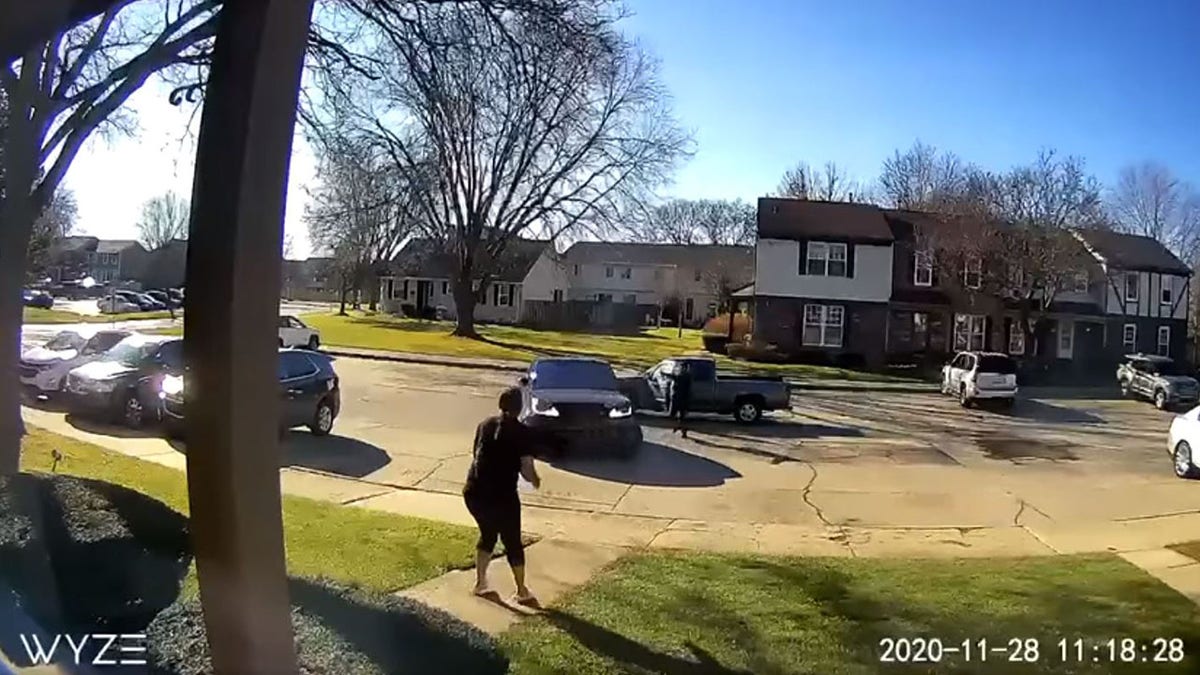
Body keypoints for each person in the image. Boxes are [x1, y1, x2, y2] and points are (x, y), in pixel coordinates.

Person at [463, 386, 541, 605]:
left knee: (488, 534)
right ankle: (522, 591)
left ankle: (480, 584)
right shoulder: (522, 432)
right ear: (520, 408)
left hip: (474, 492)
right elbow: (527, 471)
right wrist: (536, 480)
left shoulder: (484, 425)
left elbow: (476, 453)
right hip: (502, 497)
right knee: (512, 541)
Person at [668, 361, 693, 438]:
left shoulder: (683, 376)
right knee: (682, 416)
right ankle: (681, 430)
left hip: (678, 398)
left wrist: (670, 374)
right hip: (684, 398)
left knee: (674, 415)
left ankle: (679, 428)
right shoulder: (687, 375)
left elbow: (675, 379)